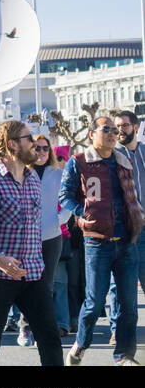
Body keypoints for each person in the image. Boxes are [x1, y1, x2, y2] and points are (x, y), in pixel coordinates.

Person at [0, 121, 63, 366]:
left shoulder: (33, 178)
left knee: (50, 338)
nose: (34, 144)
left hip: (33, 274)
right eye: (28, 138)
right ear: (12, 144)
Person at [59, 115, 143, 365]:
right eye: (105, 129)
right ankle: (81, 345)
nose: (112, 133)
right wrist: (81, 213)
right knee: (95, 302)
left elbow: (132, 195)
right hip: (97, 242)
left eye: (113, 130)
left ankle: (123, 356)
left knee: (129, 304)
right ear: (91, 134)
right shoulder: (79, 162)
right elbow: (65, 196)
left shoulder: (123, 161)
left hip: (127, 240)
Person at [13, 132, 67, 348]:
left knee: (46, 284)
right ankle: (25, 326)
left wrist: (60, 219)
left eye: (46, 148)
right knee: (26, 283)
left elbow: (70, 200)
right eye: (37, 148)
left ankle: (40, 329)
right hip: (26, 238)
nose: (42, 152)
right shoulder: (23, 173)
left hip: (52, 237)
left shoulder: (58, 174)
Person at [107, 109, 145, 347]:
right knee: (120, 282)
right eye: (116, 126)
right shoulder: (111, 155)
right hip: (123, 228)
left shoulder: (143, 152)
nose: (120, 130)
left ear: (136, 128)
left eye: (124, 125)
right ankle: (116, 330)